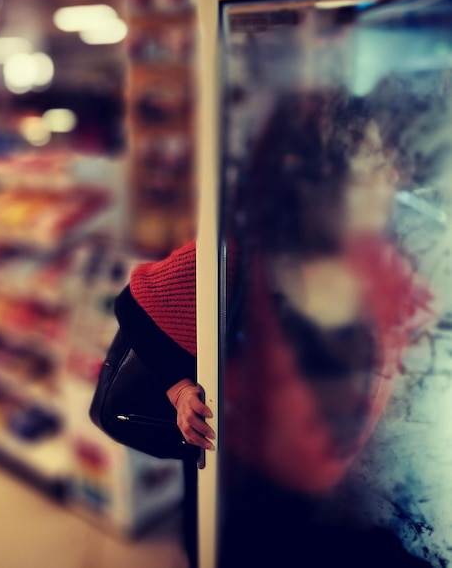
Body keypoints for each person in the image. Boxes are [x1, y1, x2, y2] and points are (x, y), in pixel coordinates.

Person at [111, 88, 436, 568]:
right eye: (372, 160)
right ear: (311, 180)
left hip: (342, 510)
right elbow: (135, 305)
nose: (392, 177)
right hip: (240, 508)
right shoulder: (237, 260)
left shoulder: (382, 262)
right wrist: (180, 388)